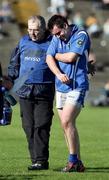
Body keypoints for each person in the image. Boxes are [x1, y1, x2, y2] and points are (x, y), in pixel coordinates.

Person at [8, 15, 55, 170]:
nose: (33, 33)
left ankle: (41, 161)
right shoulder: (23, 41)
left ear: (44, 29)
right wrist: (12, 75)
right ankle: (35, 160)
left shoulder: (52, 43)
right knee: (28, 126)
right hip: (25, 90)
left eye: (36, 30)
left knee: (41, 126)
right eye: (30, 30)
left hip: (44, 90)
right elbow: (15, 61)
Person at [46, 14, 91, 172]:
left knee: (66, 121)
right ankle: (77, 161)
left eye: (59, 33)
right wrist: (58, 74)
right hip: (61, 87)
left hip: (77, 85)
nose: (57, 37)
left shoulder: (81, 35)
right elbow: (48, 58)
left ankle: (72, 161)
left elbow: (71, 57)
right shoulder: (56, 38)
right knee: (67, 125)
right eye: (54, 35)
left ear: (66, 25)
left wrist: (57, 55)